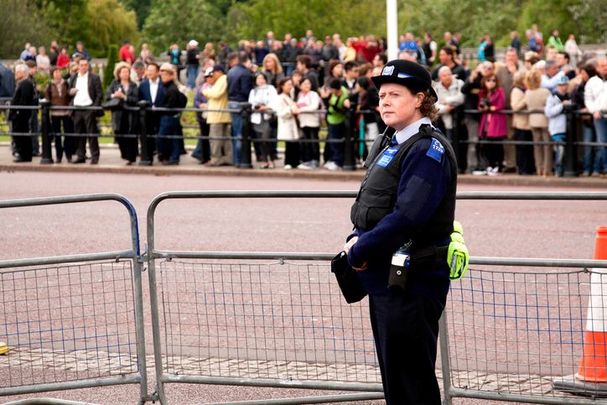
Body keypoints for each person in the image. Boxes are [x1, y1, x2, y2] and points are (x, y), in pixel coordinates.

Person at [343, 59, 457, 405]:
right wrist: (354, 235)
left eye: (395, 94)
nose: (385, 102)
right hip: (386, 277)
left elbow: (408, 216)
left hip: (413, 280)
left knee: (412, 382)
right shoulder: (390, 141)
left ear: (421, 99)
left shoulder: (426, 148)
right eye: (382, 95)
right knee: (396, 377)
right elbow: (371, 203)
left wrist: (360, 250)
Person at [68, 58, 103, 164]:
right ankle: (80, 156)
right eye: (81, 65)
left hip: (89, 108)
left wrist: (94, 107)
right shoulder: (73, 77)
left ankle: (95, 156)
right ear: (78, 66)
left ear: (88, 66)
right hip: (77, 108)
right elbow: (69, 92)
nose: (83, 67)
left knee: (92, 134)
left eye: (85, 65)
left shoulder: (94, 77)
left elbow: (99, 94)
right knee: (78, 134)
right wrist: (71, 92)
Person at [106, 62, 139, 165]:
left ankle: (131, 157)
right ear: (119, 74)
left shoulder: (133, 85)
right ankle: (125, 154)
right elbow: (107, 96)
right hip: (118, 114)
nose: (125, 74)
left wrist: (124, 97)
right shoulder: (114, 84)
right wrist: (114, 95)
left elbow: (136, 99)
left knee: (131, 135)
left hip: (130, 114)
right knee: (120, 135)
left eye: (127, 72)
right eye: (123, 72)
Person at [227, 52, 254, 166]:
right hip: (241, 103)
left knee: (235, 132)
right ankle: (240, 160)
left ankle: (236, 159)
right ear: (247, 61)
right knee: (241, 133)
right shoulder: (246, 73)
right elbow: (246, 91)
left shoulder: (231, 71)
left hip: (231, 102)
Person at [477, 73, 507, 175]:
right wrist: (484, 108)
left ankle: (498, 165)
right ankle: (490, 165)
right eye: (488, 80)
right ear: (484, 82)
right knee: (487, 145)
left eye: (493, 80)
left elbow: (501, 105)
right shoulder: (483, 93)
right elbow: (480, 106)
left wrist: (490, 108)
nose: (491, 83)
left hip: (496, 121)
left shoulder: (499, 91)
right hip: (486, 122)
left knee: (497, 145)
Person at [524, 69, 552, 176]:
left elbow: (521, 105)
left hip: (533, 121)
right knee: (547, 146)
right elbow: (551, 103)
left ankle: (539, 168)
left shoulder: (528, 92)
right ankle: (547, 169)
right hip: (544, 120)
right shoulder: (545, 92)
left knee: (537, 146)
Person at [203, 65, 232, 166]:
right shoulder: (221, 80)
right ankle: (227, 158)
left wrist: (205, 91)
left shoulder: (222, 79)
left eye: (213, 73)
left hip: (218, 114)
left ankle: (215, 159)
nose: (212, 75)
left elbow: (216, 94)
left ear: (218, 72)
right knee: (225, 139)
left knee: (215, 139)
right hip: (221, 113)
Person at [248, 71, 277, 168]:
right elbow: (251, 104)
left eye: (262, 78)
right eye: (258, 78)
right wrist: (256, 107)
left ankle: (271, 159)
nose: (260, 80)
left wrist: (266, 107)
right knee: (260, 140)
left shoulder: (271, 89)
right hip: (257, 117)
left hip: (267, 117)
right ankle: (264, 160)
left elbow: (274, 102)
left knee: (267, 139)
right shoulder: (253, 91)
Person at [138, 62, 166, 165]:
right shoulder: (143, 85)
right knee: (148, 136)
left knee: (162, 136)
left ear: (158, 72)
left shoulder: (164, 84)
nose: (149, 73)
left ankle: (162, 156)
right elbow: (139, 99)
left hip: (161, 114)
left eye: (152, 70)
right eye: (148, 70)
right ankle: (148, 157)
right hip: (147, 115)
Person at [45, 67, 74, 163]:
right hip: (55, 113)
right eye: (55, 72)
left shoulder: (66, 83)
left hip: (66, 112)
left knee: (68, 134)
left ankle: (68, 154)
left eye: (59, 72)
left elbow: (69, 95)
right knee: (57, 136)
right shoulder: (49, 85)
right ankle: (59, 156)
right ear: (52, 74)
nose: (57, 74)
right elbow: (47, 97)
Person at [544, 75, 572, 177]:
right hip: (556, 128)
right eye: (561, 85)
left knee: (565, 150)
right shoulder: (553, 97)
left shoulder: (570, 96)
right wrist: (561, 105)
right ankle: (558, 171)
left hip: (568, 128)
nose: (563, 87)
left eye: (565, 85)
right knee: (560, 150)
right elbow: (548, 112)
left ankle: (563, 170)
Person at [9, 64, 37, 162]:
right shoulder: (22, 83)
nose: (15, 74)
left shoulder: (26, 83)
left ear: (22, 72)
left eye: (17, 72)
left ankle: (23, 155)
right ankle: (24, 155)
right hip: (19, 114)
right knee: (19, 134)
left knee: (21, 134)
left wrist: (17, 112)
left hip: (21, 115)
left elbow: (24, 100)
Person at [584, 57, 607, 177]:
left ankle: (599, 168)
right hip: (600, 116)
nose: (605, 68)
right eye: (602, 66)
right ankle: (603, 168)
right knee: (602, 142)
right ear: (597, 68)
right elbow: (588, 99)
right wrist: (594, 110)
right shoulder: (592, 82)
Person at [157, 63, 183, 165]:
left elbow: (170, 105)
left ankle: (172, 157)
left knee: (164, 137)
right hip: (170, 116)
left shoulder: (171, 89)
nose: (163, 77)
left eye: (165, 75)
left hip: (169, 116)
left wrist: (160, 108)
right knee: (173, 137)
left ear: (171, 76)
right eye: (162, 75)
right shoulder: (169, 87)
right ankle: (173, 157)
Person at [510, 71, 535, 175]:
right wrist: (526, 99)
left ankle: (528, 168)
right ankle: (522, 169)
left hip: (527, 123)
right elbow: (515, 107)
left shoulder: (525, 90)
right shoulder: (516, 91)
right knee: (522, 148)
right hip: (521, 123)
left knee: (528, 148)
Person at [273, 77, 300, 169]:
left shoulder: (290, 96)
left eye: (291, 85)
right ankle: (288, 161)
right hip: (286, 122)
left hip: (292, 122)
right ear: (282, 86)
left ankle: (295, 161)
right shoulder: (280, 98)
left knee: (294, 143)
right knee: (289, 143)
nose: (290, 87)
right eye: (288, 85)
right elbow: (280, 113)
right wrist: (290, 109)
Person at [296, 77, 322, 169]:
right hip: (303, 122)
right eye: (305, 84)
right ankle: (308, 160)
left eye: (308, 83)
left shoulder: (314, 94)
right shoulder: (299, 95)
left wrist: (300, 110)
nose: (307, 86)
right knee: (306, 142)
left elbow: (314, 106)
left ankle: (315, 160)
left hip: (312, 122)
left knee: (313, 141)